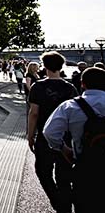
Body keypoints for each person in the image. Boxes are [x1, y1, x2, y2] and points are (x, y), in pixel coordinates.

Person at [43, 67, 105, 213]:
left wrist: (64, 149)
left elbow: (50, 132)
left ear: (82, 84)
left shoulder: (70, 106)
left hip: (86, 168)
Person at [27, 51, 77, 213]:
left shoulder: (38, 86)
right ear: (61, 66)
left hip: (44, 136)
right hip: (66, 137)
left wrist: (30, 135)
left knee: (43, 172)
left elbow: (34, 113)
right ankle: (65, 203)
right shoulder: (70, 88)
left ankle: (58, 203)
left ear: (44, 66)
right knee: (64, 175)